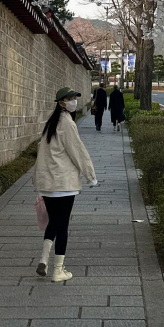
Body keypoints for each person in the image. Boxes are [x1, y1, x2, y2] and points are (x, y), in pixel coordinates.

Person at [34, 87, 97, 282]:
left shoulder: (51, 123)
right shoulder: (67, 124)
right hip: (63, 183)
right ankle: (58, 270)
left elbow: (41, 154)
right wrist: (90, 175)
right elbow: (77, 150)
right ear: (61, 103)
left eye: (74, 98)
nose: (74, 102)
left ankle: (44, 259)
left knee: (53, 222)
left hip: (48, 183)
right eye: (70, 99)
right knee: (63, 225)